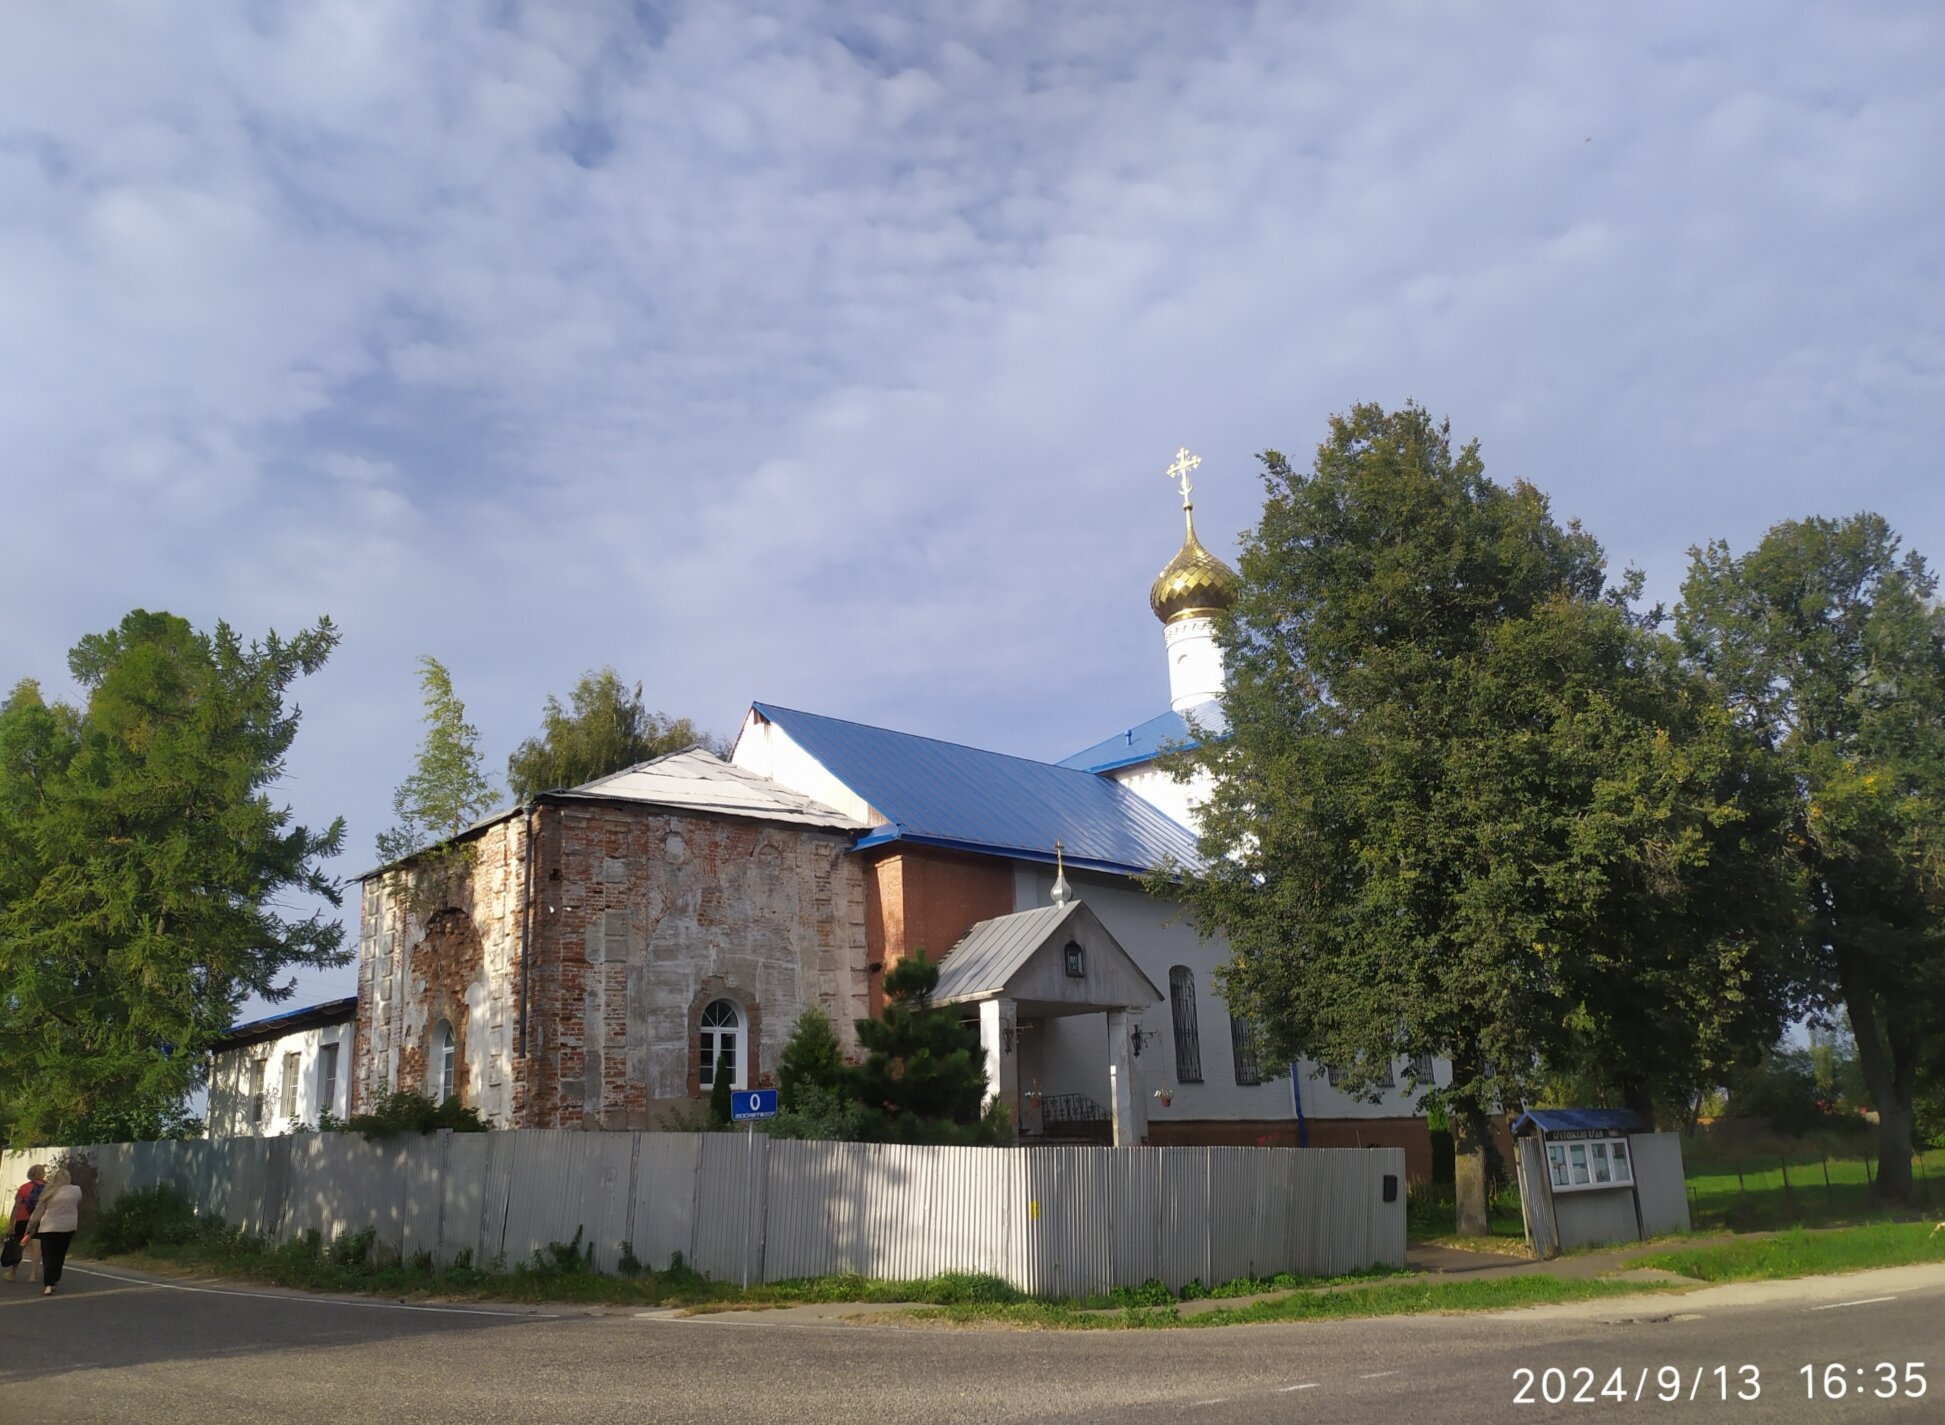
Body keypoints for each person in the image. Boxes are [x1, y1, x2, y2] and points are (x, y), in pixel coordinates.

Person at [24, 1169, 80, 1297]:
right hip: (68, 1227)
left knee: (48, 1256)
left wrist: (30, 1226)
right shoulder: (76, 1191)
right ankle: (55, 1279)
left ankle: (48, 1284)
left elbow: (38, 1212)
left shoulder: (48, 1191)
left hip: (48, 1227)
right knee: (60, 1255)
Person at [4, 1165, 45, 1282]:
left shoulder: (24, 1188)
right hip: (38, 1220)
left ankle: (13, 1273)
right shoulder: (46, 1188)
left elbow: (16, 1207)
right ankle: (32, 1275)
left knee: (19, 1246)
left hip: (22, 1220)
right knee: (36, 1247)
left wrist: (11, 1224)